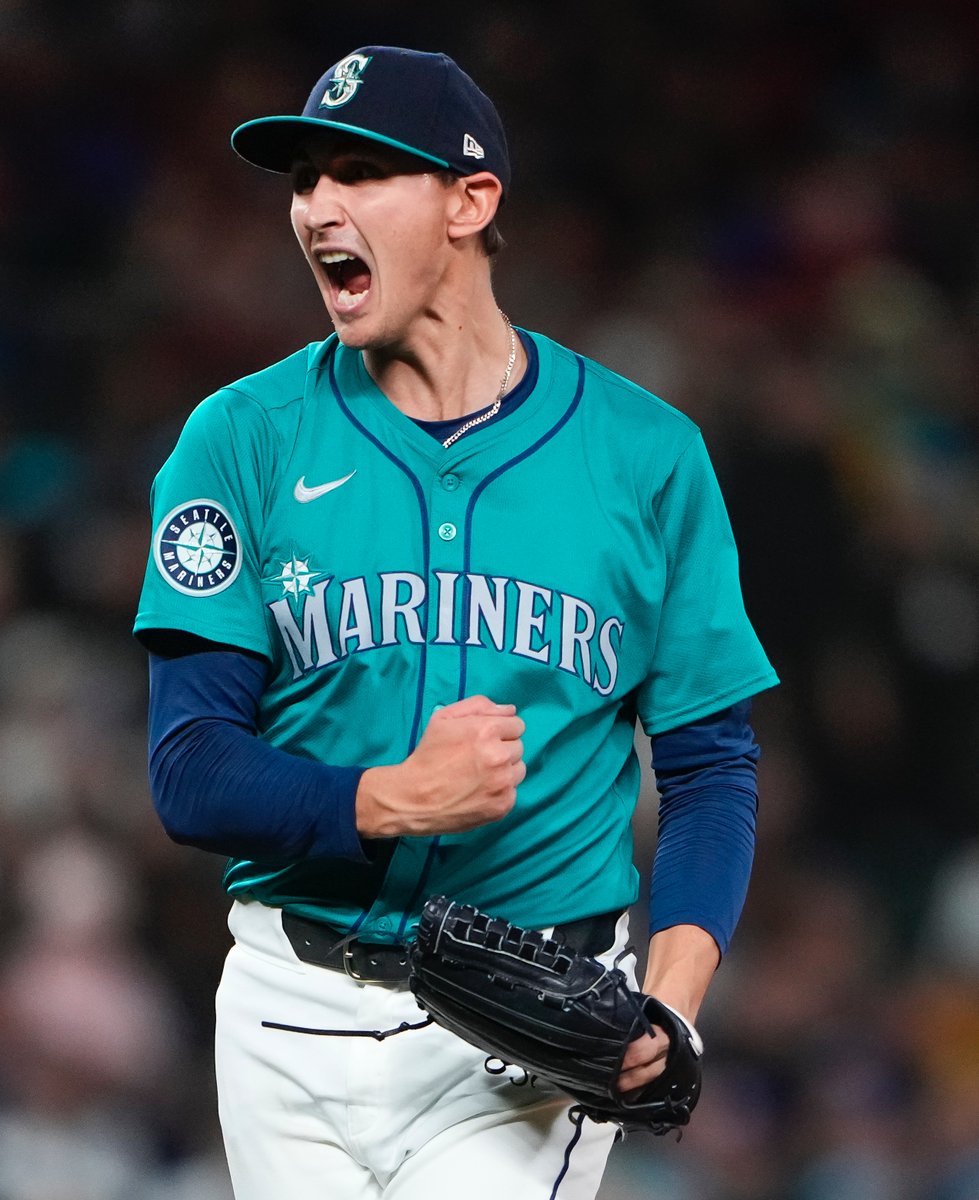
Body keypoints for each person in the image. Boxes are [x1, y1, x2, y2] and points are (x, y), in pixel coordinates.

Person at [134, 45, 778, 1200]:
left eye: (360, 173)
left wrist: (672, 1005)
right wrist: (387, 799)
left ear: (470, 201)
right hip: (285, 1011)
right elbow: (188, 769)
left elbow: (710, 766)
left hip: (520, 1035)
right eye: (302, 180)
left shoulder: (645, 458)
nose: (317, 208)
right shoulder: (239, 439)